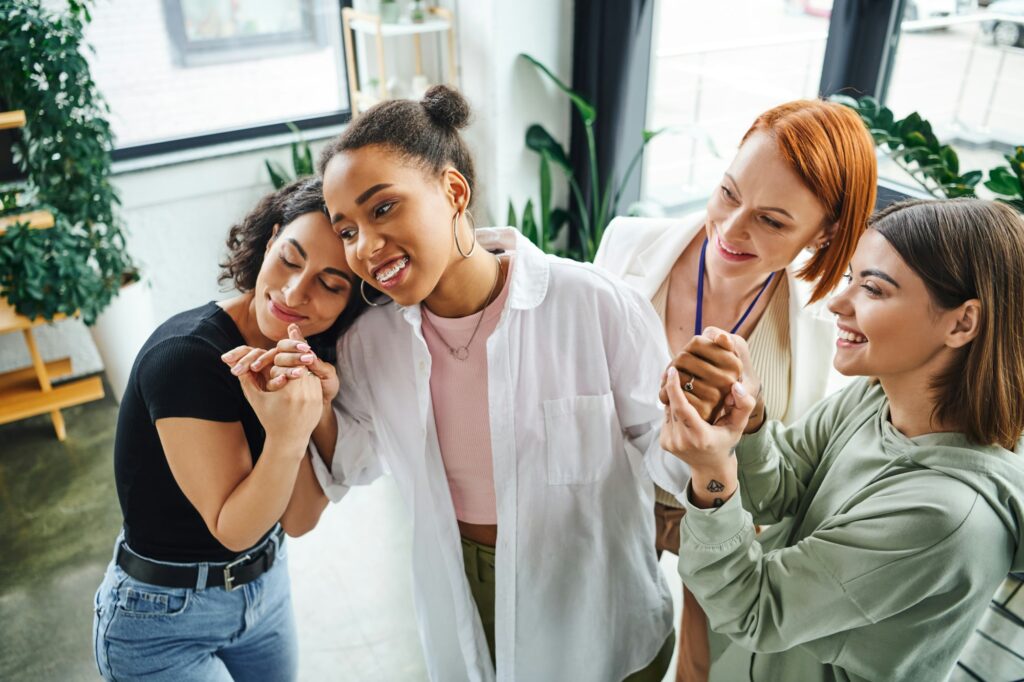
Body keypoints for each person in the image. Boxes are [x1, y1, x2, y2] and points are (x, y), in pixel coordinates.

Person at [263, 85, 676, 681]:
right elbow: (354, 462)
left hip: (596, 601)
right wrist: (317, 407)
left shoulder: (596, 306)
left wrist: (711, 435)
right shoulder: (370, 343)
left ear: (453, 192)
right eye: (347, 229)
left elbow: (667, 454)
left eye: (383, 208)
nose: (366, 247)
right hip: (461, 583)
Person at [659, 198, 1024, 682]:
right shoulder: (876, 398)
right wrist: (749, 416)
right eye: (850, 277)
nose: (837, 302)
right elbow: (777, 490)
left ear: (962, 323)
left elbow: (755, 610)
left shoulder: (945, 516)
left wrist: (712, 475)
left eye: (872, 288)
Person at [594, 98, 877, 681]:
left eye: (772, 221)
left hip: (726, 518)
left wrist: (747, 423)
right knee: (606, 650)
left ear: (824, 234)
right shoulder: (627, 244)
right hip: (615, 496)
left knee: (706, 669)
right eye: (728, 192)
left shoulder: (829, 322)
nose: (730, 228)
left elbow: (795, 462)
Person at [92, 177, 365, 682]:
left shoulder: (308, 349)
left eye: (330, 284)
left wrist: (320, 411)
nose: (293, 292)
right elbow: (234, 528)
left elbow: (300, 519)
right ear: (270, 239)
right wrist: (286, 434)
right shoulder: (185, 360)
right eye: (289, 258)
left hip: (267, 591)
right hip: (163, 619)